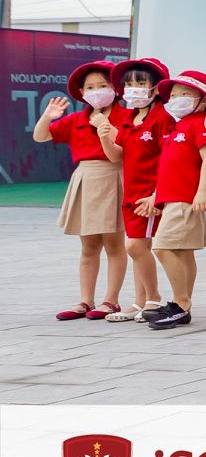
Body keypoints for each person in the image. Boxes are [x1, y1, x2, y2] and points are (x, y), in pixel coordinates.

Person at [35, 58, 127, 321]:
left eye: (103, 85)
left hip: (114, 176)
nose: (97, 91)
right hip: (85, 179)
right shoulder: (76, 120)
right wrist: (47, 117)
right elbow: (40, 136)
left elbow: (124, 149)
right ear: (82, 92)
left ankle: (111, 301)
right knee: (88, 245)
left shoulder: (127, 117)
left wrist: (104, 128)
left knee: (114, 244)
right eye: (90, 87)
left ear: (116, 89)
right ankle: (86, 300)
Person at [144, 70, 206, 330]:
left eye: (185, 94)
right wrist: (157, 196)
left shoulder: (200, 123)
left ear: (203, 100)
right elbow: (171, 167)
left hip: (185, 199)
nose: (177, 99)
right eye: (174, 95)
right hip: (171, 199)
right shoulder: (177, 125)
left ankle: (180, 302)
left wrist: (203, 190)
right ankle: (182, 306)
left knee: (162, 247)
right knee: (183, 251)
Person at [109, 56, 172, 322]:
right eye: (129, 84)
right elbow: (116, 155)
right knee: (139, 248)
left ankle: (154, 298)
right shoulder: (129, 118)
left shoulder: (163, 117)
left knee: (135, 246)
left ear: (156, 88)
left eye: (140, 83)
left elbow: (170, 158)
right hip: (131, 194)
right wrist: (104, 134)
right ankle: (139, 301)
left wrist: (157, 194)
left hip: (149, 196)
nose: (133, 89)